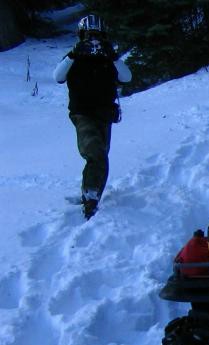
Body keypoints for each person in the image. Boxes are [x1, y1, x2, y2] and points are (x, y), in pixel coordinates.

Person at [53, 14, 131, 219]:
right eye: (89, 35)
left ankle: (92, 191)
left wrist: (112, 56)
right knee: (94, 151)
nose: (93, 39)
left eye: (97, 35)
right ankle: (91, 196)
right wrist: (73, 54)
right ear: (81, 35)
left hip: (104, 114)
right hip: (82, 113)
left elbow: (127, 77)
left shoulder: (108, 58)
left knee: (101, 155)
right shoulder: (74, 58)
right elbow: (58, 77)